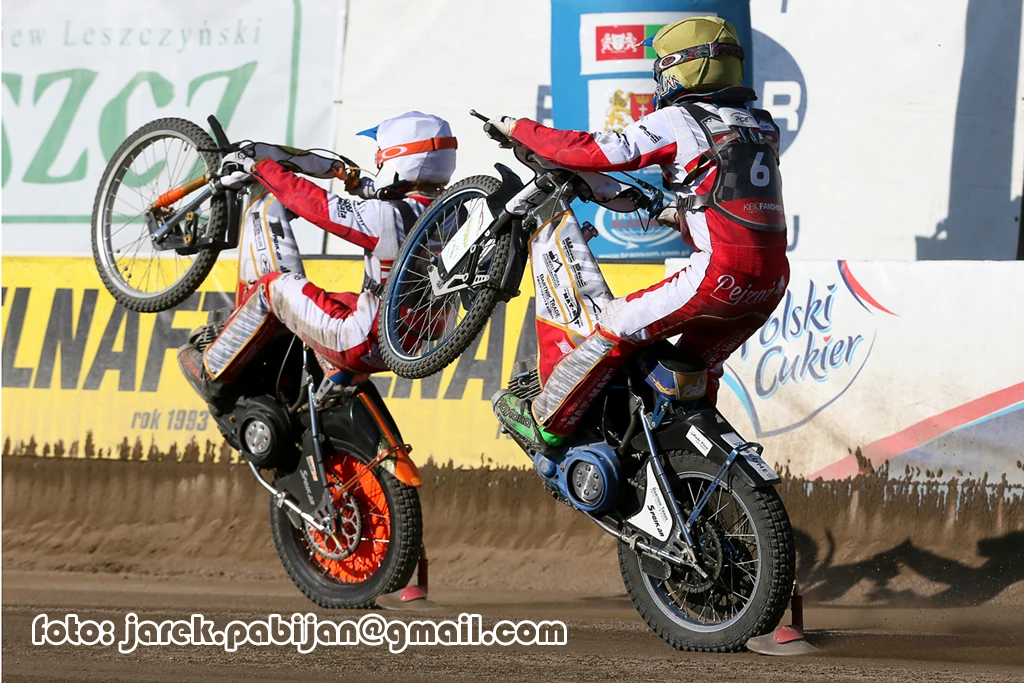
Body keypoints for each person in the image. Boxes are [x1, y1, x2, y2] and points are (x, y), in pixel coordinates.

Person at [488, 16, 790, 454]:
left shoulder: (679, 119)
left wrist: (520, 129)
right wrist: (670, 211)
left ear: (677, 68)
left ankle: (547, 424)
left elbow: (599, 151)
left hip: (717, 276)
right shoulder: (761, 126)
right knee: (696, 369)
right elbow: (729, 201)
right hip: (771, 283)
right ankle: (685, 459)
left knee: (615, 323)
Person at [177, 111, 457, 408]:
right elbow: (404, 208)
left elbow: (316, 205)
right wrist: (364, 188)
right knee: (331, 298)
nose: (377, 163)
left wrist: (257, 166)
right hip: (404, 344)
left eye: (380, 156)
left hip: (360, 340)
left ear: (398, 158)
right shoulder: (454, 211)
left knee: (274, 288)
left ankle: (212, 373)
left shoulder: (386, 216)